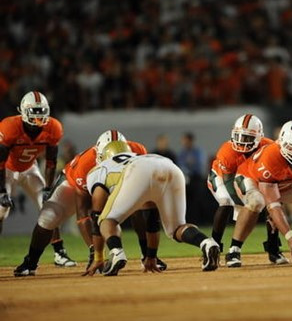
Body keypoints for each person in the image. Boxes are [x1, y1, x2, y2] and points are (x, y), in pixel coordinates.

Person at [13, 130, 168, 276]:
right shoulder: (85, 166)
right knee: (48, 218)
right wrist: (95, 251)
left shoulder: (139, 150)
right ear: (99, 156)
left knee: (141, 206)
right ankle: (30, 262)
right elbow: (83, 213)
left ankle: (146, 255)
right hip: (74, 185)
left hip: (116, 182)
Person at [84, 141, 220, 276]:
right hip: (170, 167)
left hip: (137, 170)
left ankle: (116, 252)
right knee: (176, 228)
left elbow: (97, 214)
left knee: (106, 219)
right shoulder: (137, 155)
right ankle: (206, 242)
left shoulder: (100, 169)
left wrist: (98, 258)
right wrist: (151, 256)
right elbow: (151, 217)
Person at [225, 120, 292, 267]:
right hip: (250, 178)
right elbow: (274, 205)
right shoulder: (270, 158)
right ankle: (234, 250)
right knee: (257, 201)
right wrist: (290, 236)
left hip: (284, 182)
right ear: (281, 142)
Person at [0, 91, 76, 268]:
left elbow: (51, 162)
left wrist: (48, 188)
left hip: (30, 168)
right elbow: (1, 162)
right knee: (1, 210)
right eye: (34, 112)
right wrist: (2, 190)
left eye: (41, 112)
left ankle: (59, 253)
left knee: (49, 207)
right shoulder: (10, 127)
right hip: (8, 170)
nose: (38, 118)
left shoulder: (53, 127)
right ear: (23, 111)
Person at [207, 114, 287, 264]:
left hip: (248, 178)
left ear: (259, 136)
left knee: (273, 204)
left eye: (247, 138)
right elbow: (230, 186)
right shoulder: (227, 151)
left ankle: (273, 249)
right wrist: (248, 206)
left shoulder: (268, 146)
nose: (241, 142)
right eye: (239, 136)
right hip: (221, 178)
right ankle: (213, 246)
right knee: (226, 202)